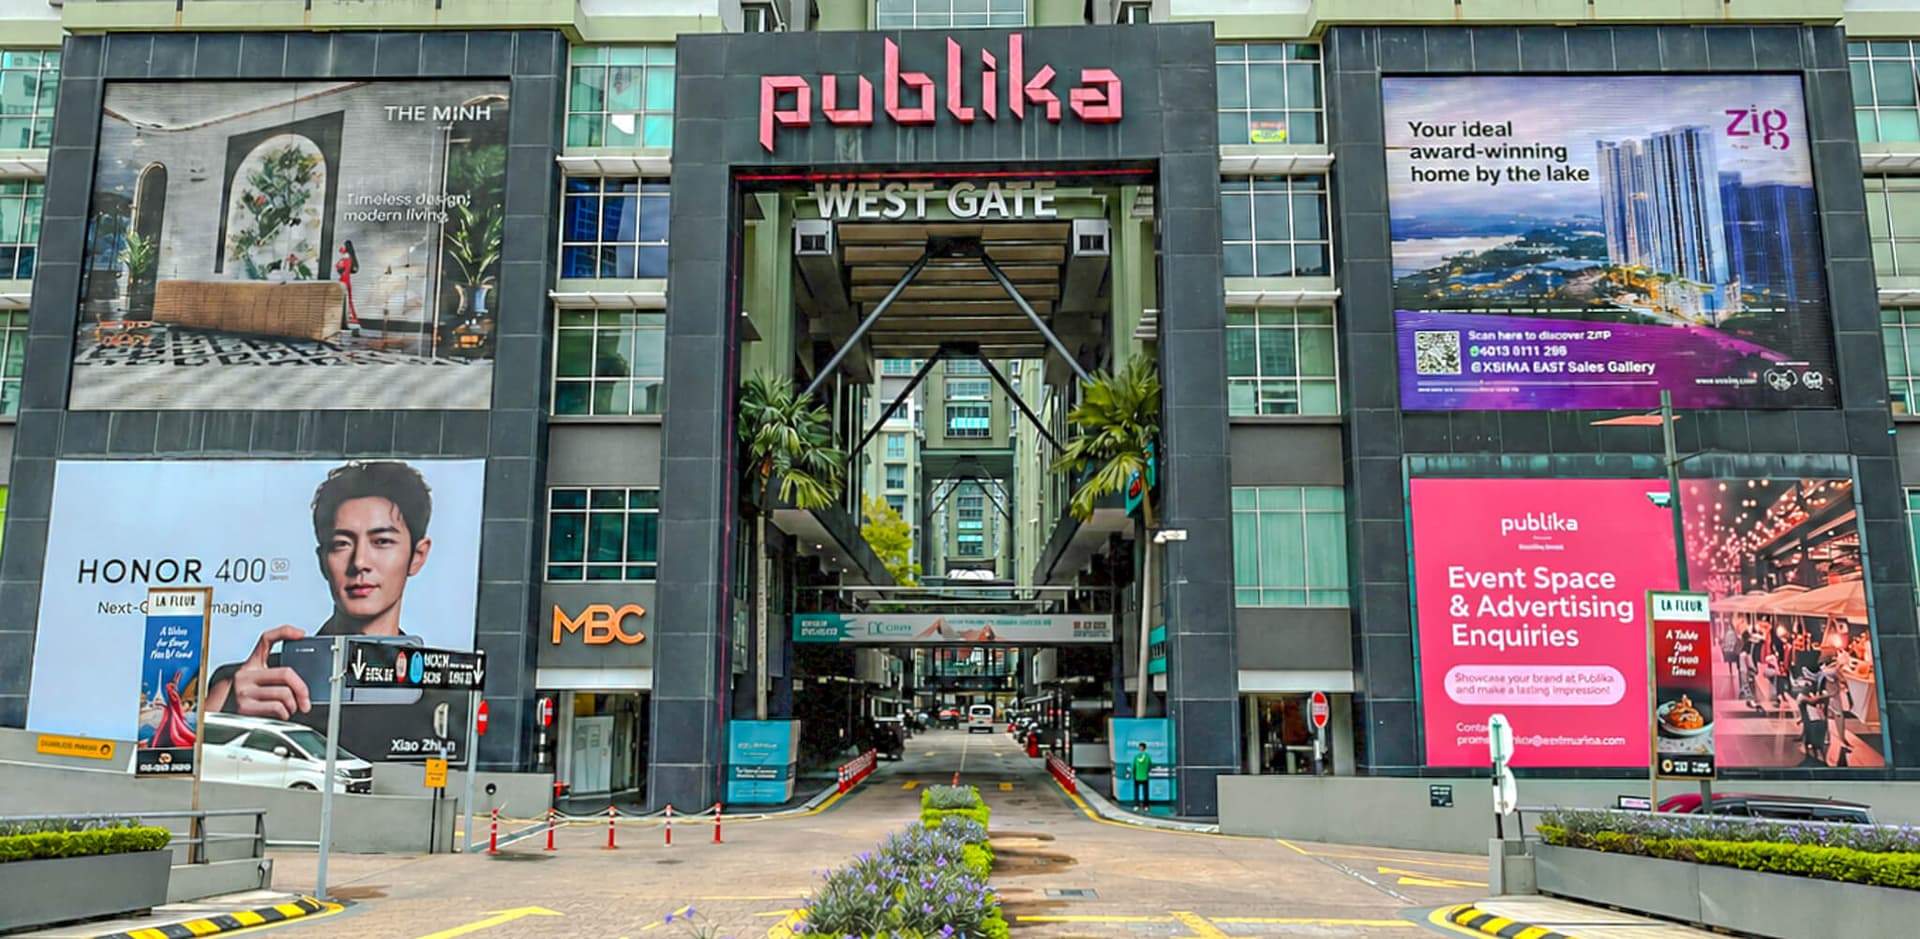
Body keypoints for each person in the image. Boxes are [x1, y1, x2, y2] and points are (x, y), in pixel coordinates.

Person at [203, 461, 435, 718]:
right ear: (322, 560)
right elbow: (175, 755)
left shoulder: (439, 691)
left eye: (382, 541)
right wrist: (226, 715)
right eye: (341, 544)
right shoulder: (259, 683)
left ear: (418, 555)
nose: (360, 562)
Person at [1129, 742, 1153, 810]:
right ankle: (1146, 806)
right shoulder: (1147, 756)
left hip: (1137, 776)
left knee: (1136, 792)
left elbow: (1133, 766)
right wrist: (1146, 772)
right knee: (1145, 792)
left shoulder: (1136, 756)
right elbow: (1150, 765)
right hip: (1145, 776)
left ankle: (1136, 805)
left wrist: (1133, 774)